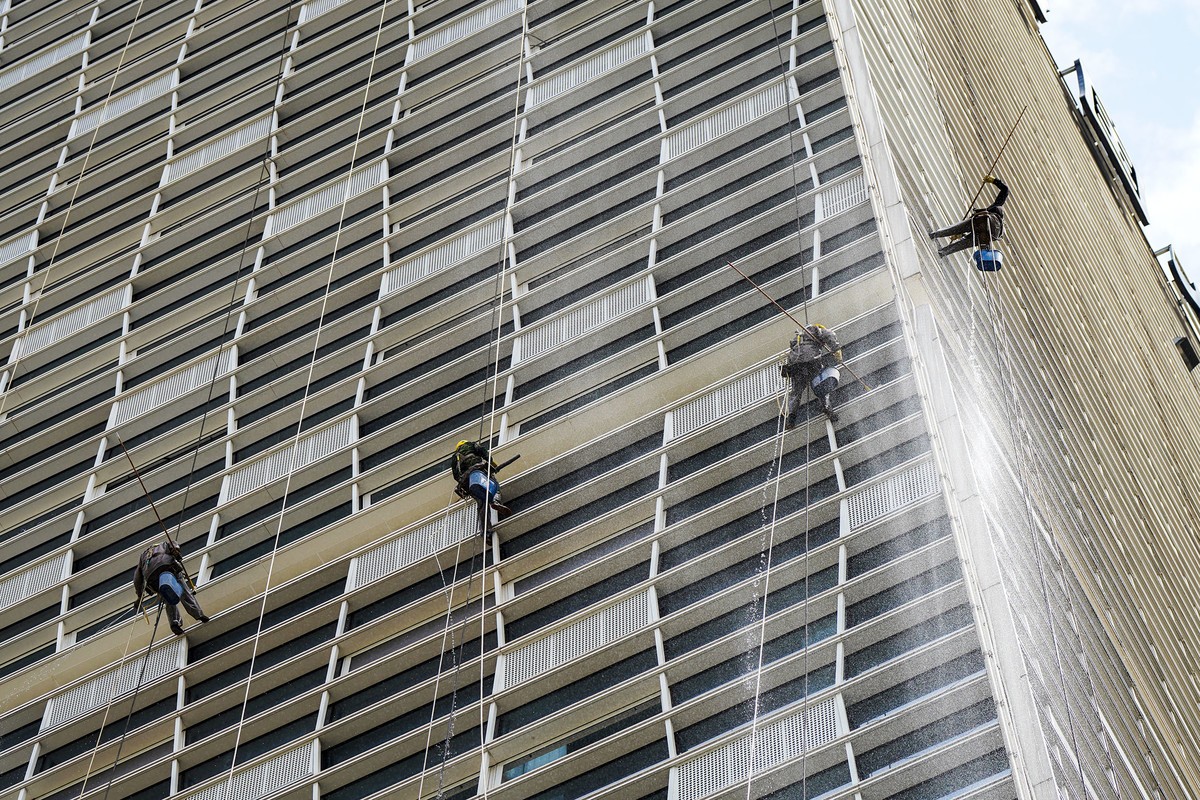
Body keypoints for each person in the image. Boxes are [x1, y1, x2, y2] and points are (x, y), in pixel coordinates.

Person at [132, 541, 209, 636]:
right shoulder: (165, 544)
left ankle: (174, 622)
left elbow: (137, 578)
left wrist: (139, 597)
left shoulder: (143, 556)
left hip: (151, 577)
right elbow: (175, 547)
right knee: (184, 590)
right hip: (167, 566)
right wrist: (177, 553)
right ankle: (198, 614)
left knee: (167, 595)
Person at [929, 175, 1010, 258]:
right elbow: (975, 235)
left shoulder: (994, 209)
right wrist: (961, 235)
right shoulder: (996, 228)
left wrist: (994, 180)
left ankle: (934, 235)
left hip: (983, 221)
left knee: (956, 228)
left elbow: (1006, 190)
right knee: (964, 243)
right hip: (988, 235)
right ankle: (942, 252)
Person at [781, 324, 843, 428]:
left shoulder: (797, 339)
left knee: (796, 392)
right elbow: (829, 334)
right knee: (821, 383)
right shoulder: (816, 329)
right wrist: (836, 349)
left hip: (796, 364)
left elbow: (793, 349)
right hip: (811, 359)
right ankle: (827, 408)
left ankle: (791, 419)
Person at [449, 440, 512, 534]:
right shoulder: (472, 445)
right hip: (479, 471)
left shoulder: (455, 456)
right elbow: (484, 453)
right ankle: (496, 501)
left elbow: (456, 475)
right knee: (493, 484)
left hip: (468, 480)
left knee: (481, 502)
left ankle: (485, 530)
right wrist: (490, 462)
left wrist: (463, 482)